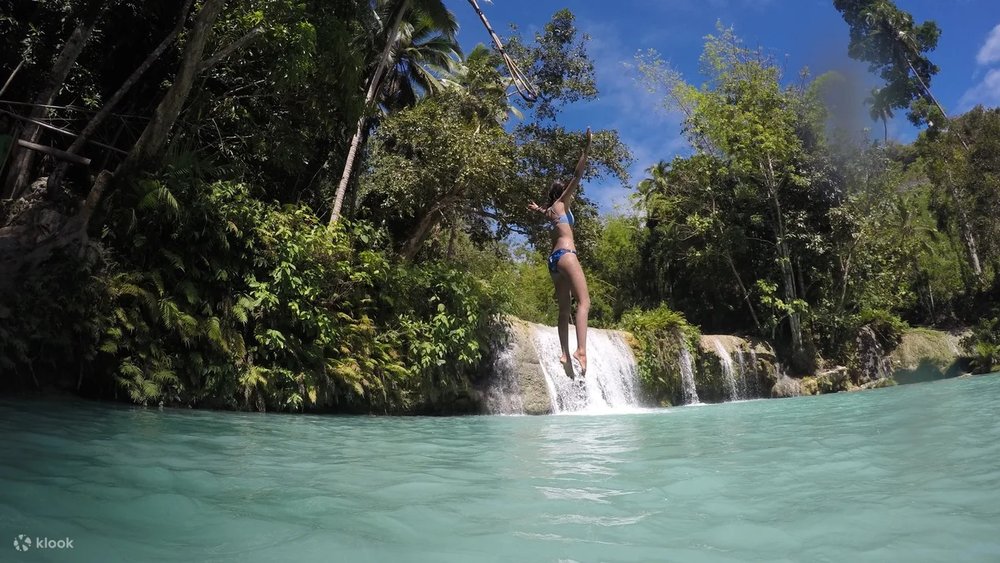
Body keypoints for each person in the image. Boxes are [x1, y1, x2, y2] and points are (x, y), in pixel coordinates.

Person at [528, 128, 592, 376]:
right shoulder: (562, 203)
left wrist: (536, 208)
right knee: (584, 302)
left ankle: (565, 353)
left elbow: (542, 212)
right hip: (566, 254)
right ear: (562, 192)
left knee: (564, 310)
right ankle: (581, 350)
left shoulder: (550, 212)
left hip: (553, 262)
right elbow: (577, 175)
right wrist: (586, 149)